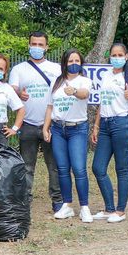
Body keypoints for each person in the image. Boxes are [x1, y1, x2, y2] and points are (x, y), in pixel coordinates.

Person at [10, 32, 65, 217]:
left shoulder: (56, 68)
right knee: (26, 166)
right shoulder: (18, 69)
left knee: (54, 165)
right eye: (34, 43)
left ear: (47, 47)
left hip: (50, 124)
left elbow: (63, 91)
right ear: (28, 45)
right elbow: (12, 90)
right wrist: (19, 94)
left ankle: (57, 201)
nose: (37, 47)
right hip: (27, 124)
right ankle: (25, 201)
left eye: (40, 44)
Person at [91, 43, 128, 223]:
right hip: (105, 124)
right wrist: (96, 126)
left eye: (120, 55)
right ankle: (108, 208)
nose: (117, 57)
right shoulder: (105, 76)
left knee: (121, 169)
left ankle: (120, 210)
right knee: (98, 167)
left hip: (121, 124)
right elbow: (101, 103)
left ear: (126, 57)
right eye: (114, 54)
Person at [43, 49, 93, 223]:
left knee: (79, 169)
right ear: (64, 63)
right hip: (58, 129)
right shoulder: (56, 82)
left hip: (77, 129)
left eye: (77, 60)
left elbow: (84, 94)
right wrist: (45, 127)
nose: (73, 63)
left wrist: (73, 91)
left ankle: (85, 207)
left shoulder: (85, 80)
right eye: (70, 60)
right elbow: (50, 106)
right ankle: (67, 206)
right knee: (62, 169)